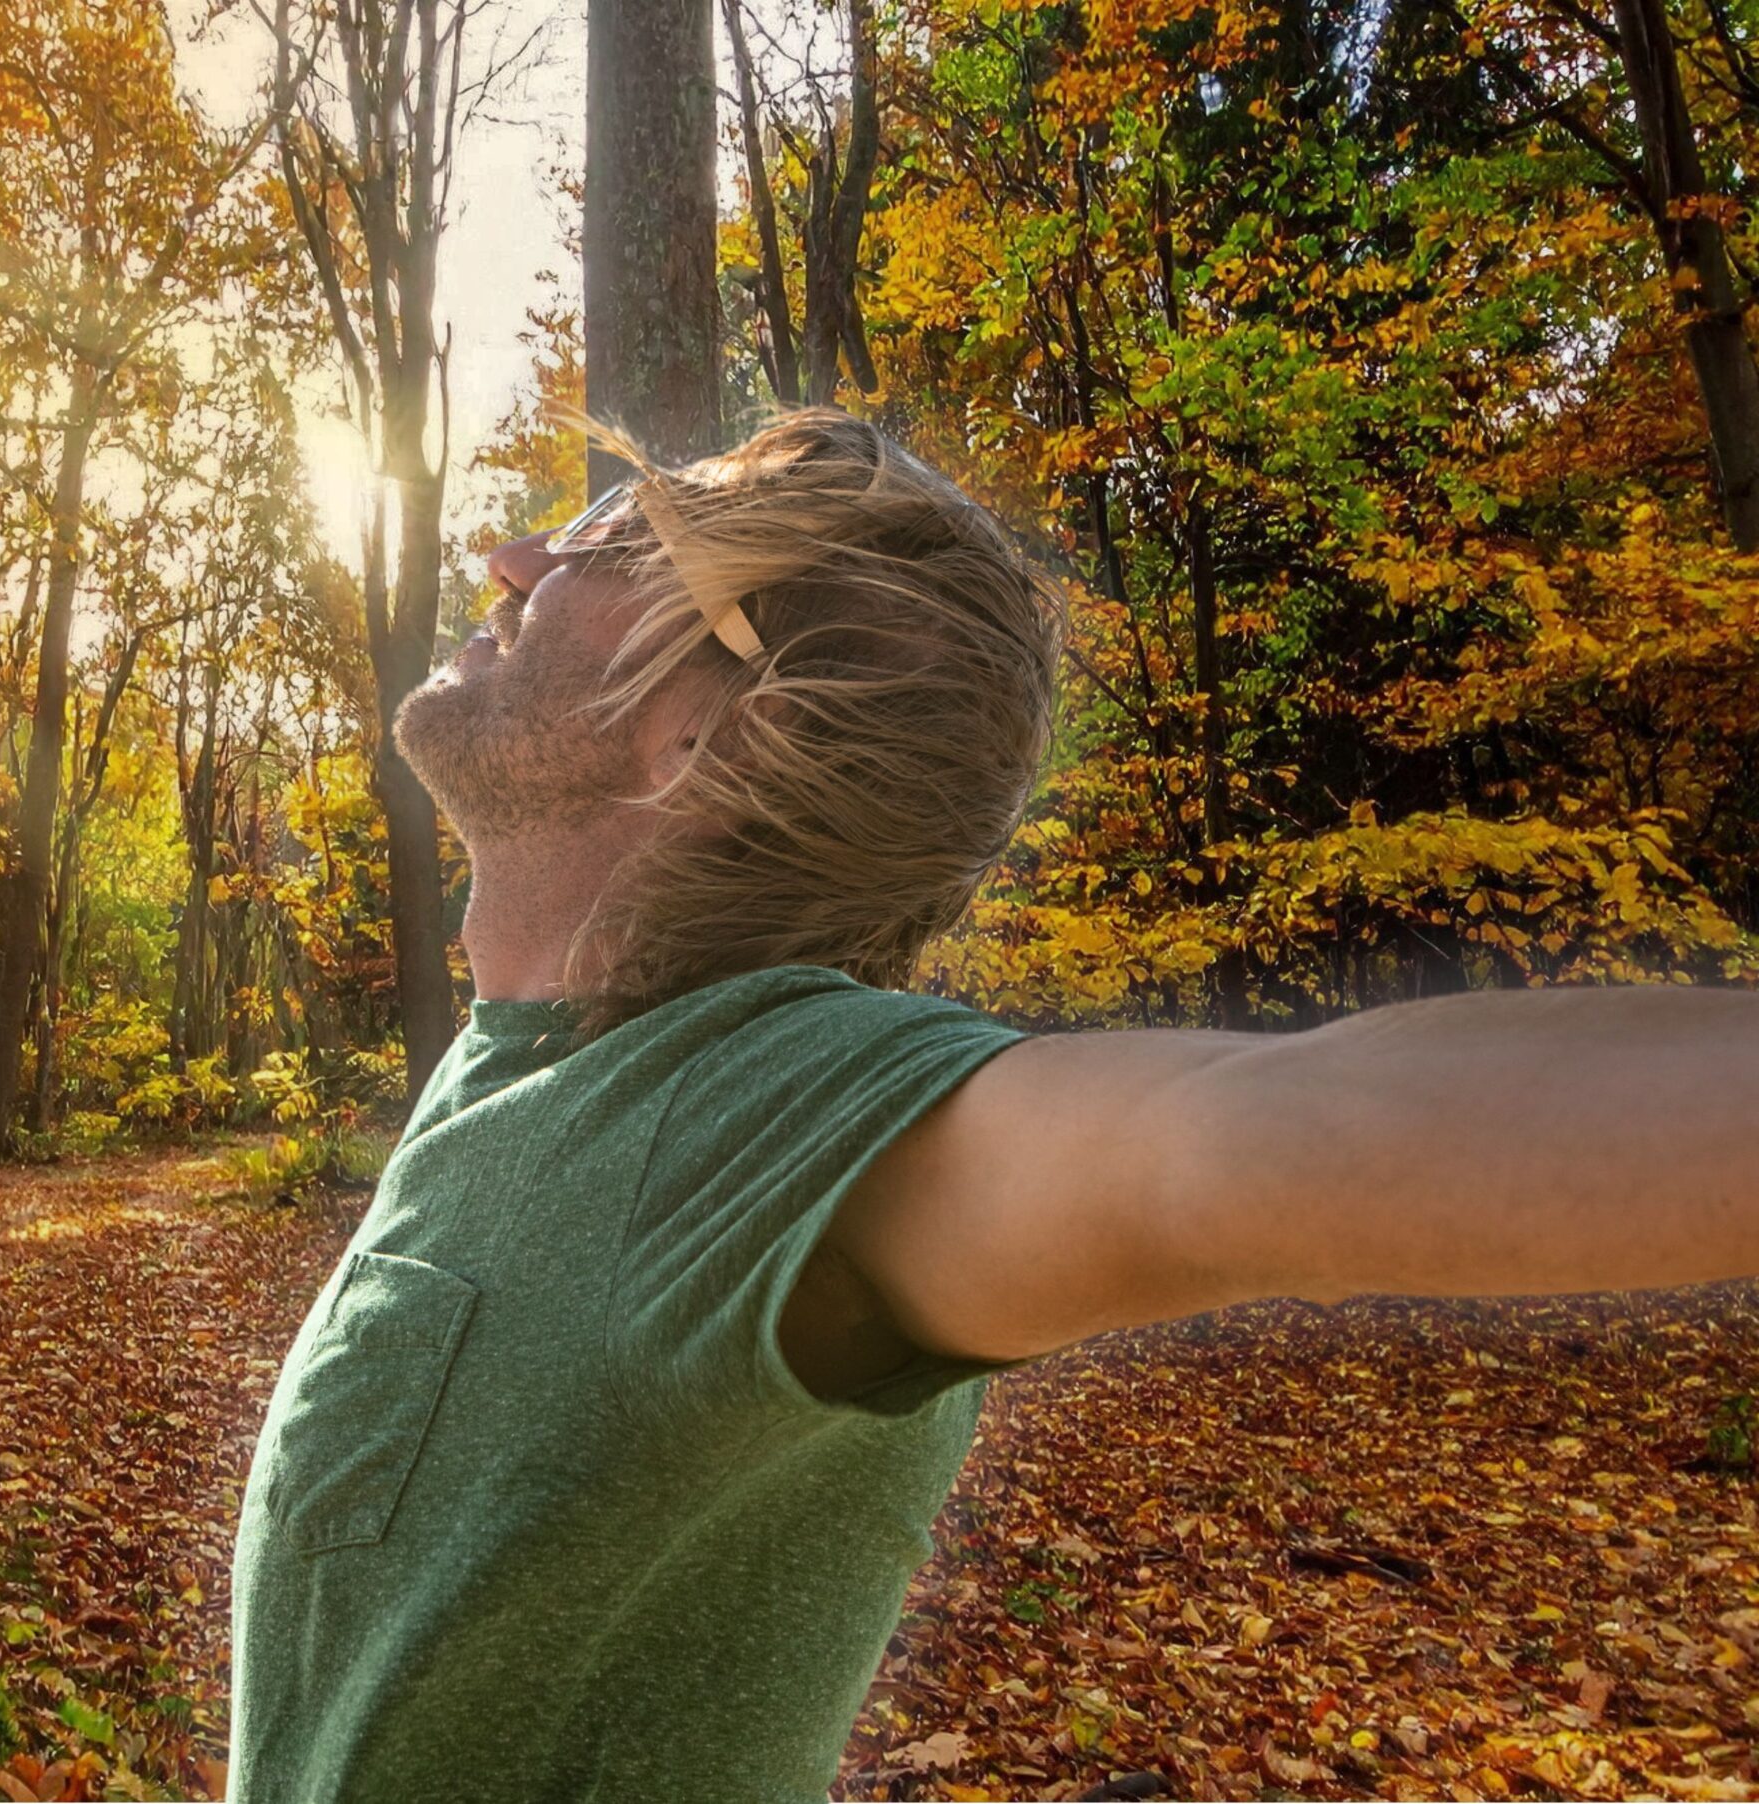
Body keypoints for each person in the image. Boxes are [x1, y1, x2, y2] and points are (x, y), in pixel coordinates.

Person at [223, 408, 1759, 1803]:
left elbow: (1253, 1133)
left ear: (704, 730)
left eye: (613, 548)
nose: (510, 556)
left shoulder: (757, 1111)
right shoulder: (533, 1065)